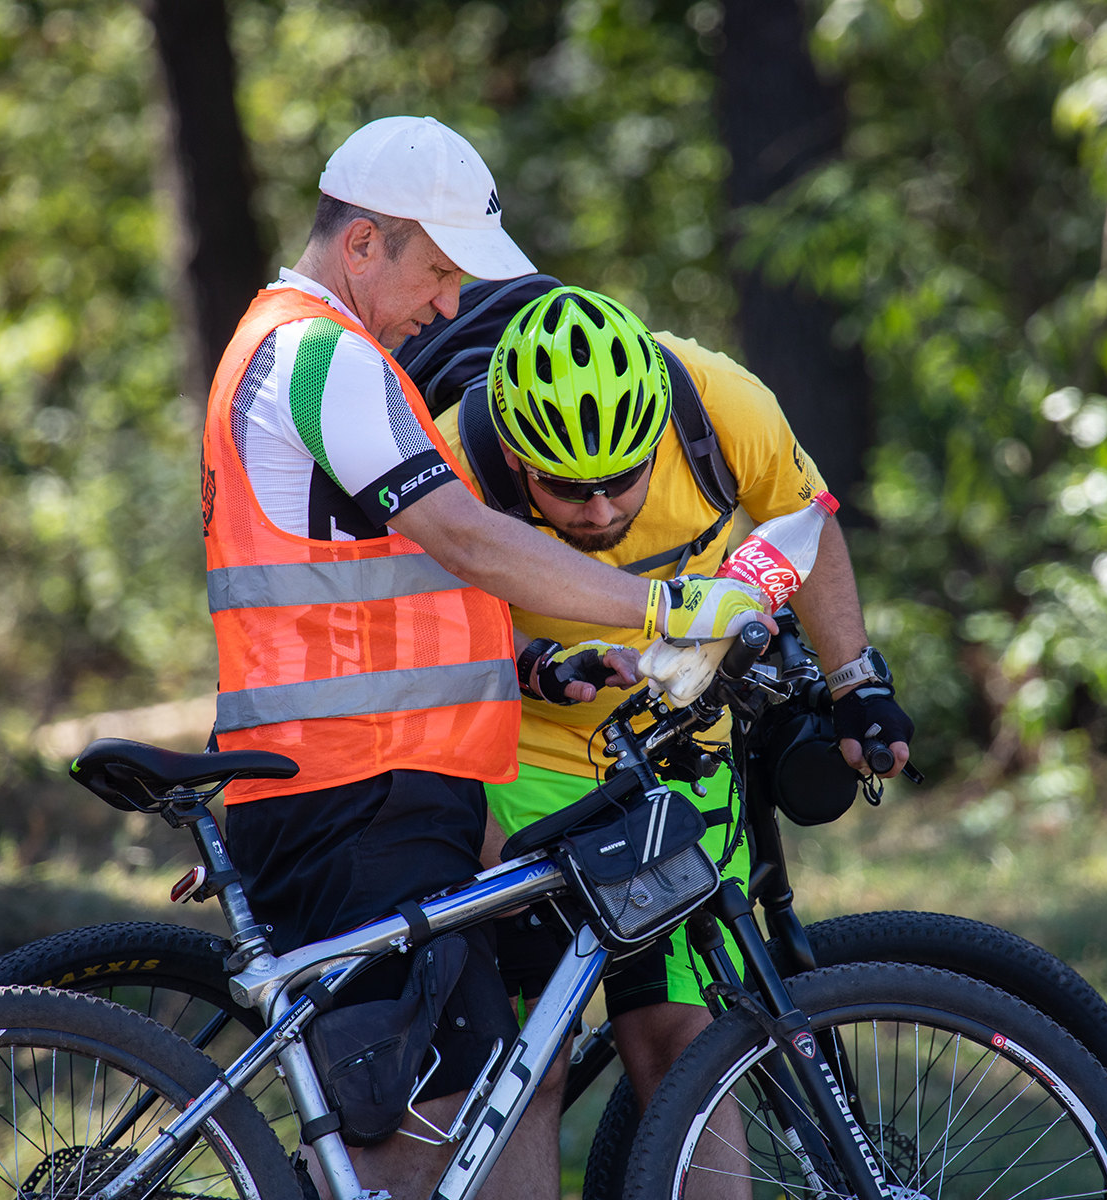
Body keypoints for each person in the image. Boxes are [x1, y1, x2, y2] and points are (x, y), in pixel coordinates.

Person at [200, 117, 770, 1200]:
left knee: (470, 1104)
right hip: (359, 791)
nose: (452, 306)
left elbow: (364, 602)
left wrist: (544, 671)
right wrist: (663, 608)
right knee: (406, 1138)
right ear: (362, 243)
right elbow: (466, 537)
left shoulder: (309, 353)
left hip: (381, 783)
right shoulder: (320, 353)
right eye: (439, 271)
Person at [429, 284, 915, 1159]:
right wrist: (539, 661)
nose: (602, 511)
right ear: (513, 451)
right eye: (568, 490)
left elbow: (807, 524)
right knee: (526, 1058)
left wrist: (856, 684)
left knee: (685, 1045)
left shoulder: (719, 403)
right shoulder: (457, 459)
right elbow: (421, 629)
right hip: (519, 753)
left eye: (622, 480)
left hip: (673, 751)